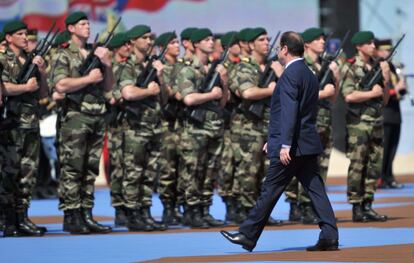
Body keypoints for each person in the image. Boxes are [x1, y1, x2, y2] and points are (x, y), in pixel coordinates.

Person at [221, 31, 339, 252]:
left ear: (285, 49)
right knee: (316, 191)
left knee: (270, 190)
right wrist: (273, 139)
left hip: (291, 147)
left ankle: (247, 235)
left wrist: (284, 144)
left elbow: (289, 111)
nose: (276, 51)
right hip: (306, 143)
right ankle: (330, 235)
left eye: (278, 48)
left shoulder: (290, 75)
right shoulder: (309, 73)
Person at [52, 11, 113, 234]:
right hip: (75, 117)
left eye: (88, 23)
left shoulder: (93, 52)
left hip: (97, 116)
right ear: (71, 28)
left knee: (89, 170)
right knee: (72, 169)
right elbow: (61, 85)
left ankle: (86, 213)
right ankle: (71, 215)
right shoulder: (63, 54)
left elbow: (107, 87)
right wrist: (88, 79)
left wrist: (107, 65)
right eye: (82, 24)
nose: (87, 27)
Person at [284, 28, 340, 224]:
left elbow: (333, 96)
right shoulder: (300, 66)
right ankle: (296, 205)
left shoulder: (326, 66)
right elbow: (298, 97)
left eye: (323, 38)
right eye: (317, 39)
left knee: (320, 168)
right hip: (307, 123)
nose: (322, 42)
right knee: (300, 165)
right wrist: (323, 92)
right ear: (306, 44)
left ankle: (311, 206)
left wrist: (337, 76)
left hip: (324, 121)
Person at [229, 27, 283, 226]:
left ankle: (261, 212)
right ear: (250, 45)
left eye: (267, 39)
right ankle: (246, 211)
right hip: (247, 128)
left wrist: (282, 74)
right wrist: (269, 90)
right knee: (248, 172)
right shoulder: (242, 67)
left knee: (267, 172)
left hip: (268, 126)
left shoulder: (273, 67)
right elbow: (247, 93)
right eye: (261, 39)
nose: (266, 42)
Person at [0, 20, 49, 236]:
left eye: (25, 34)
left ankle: (23, 217)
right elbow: (4, 87)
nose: (24, 37)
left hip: (31, 123)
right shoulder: (2, 59)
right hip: (12, 123)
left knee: (28, 173)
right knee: (9, 173)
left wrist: (42, 71)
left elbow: (43, 93)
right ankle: (8, 220)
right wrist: (24, 87)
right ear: (8, 38)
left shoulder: (30, 59)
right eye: (19, 34)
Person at [176, 28, 227, 228]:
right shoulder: (188, 69)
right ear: (196, 44)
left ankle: (204, 210)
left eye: (212, 39)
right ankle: (191, 211)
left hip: (214, 126)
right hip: (195, 129)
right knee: (193, 171)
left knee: (210, 171)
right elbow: (189, 98)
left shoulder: (214, 70)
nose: (211, 42)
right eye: (206, 39)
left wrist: (224, 81)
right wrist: (211, 95)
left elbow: (223, 102)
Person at [341, 31, 389, 222]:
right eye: (368, 43)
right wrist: (371, 93)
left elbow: (384, 99)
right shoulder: (351, 67)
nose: (373, 46)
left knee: (374, 165)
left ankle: (368, 204)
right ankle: (356, 206)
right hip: (358, 124)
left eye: (373, 42)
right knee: (358, 165)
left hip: (376, 121)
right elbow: (349, 96)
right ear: (359, 46)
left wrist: (385, 78)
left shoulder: (378, 66)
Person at [376, 39, 405, 189]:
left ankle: (389, 176)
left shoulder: (393, 67)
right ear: (379, 51)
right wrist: (396, 89)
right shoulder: (378, 67)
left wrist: (402, 86)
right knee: (384, 149)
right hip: (385, 113)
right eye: (385, 50)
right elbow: (381, 92)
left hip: (395, 113)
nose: (388, 53)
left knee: (392, 148)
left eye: (389, 50)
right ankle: (380, 177)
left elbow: (400, 90)